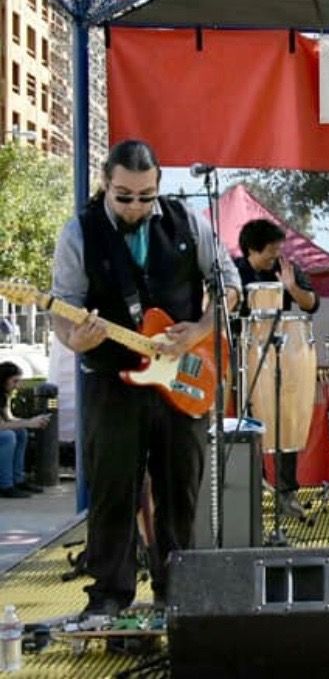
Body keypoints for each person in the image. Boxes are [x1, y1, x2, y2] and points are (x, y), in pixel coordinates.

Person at [51, 140, 241, 617]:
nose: (135, 206)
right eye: (124, 196)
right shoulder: (79, 232)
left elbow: (230, 286)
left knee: (180, 490)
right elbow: (62, 306)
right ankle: (108, 598)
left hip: (182, 380)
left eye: (145, 196)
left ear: (158, 186)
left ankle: (176, 593)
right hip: (112, 382)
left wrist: (198, 330)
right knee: (113, 491)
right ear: (105, 183)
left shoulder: (187, 222)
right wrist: (76, 339)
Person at [234, 218, 319, 518]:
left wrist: (291, 287)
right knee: (245, 419)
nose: (276, 255)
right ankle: (250, 490)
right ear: (251, 250)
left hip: (281, 355)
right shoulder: (233, 271)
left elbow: (311, 304)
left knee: (285, 415)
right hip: (242, 354)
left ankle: (286, 493)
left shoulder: (286, 268)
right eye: (270, 251)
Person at [0, 362, 50, 498]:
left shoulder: (3, 395)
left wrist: (32, 421)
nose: (17, 386)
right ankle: (5, 485)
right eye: (14, 381)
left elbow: (8, 419)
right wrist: (29, 423)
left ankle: (18, 480)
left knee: (20, 432)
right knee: (7, 436)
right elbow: (2, 426)